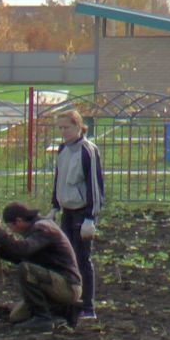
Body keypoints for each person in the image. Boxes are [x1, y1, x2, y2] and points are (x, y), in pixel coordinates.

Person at [0, 202, 81, 331]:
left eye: (10, 227)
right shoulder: (36, 229)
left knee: (25, 270)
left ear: (19, 221)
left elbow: (23, 250)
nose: (11, 231)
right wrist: (2, 250)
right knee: (17, 316)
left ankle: (43, 318)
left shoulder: (43, 228)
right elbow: (21, 256)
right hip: (52, 282)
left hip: (67, 285)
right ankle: (58, 316)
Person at [49, 109, 105, 320]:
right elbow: (59, 179)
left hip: (82, 213)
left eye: (67, 127)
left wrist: (91, 217)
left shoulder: (87, 151)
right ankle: (71, 302)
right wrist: (55, 206)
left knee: (82, 259)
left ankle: (88, 307)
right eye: (60, 128)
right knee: (67, 258)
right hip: (67, 212)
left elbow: (95, 185)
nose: (63, 132)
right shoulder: (63, 149)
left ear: (79, 126)